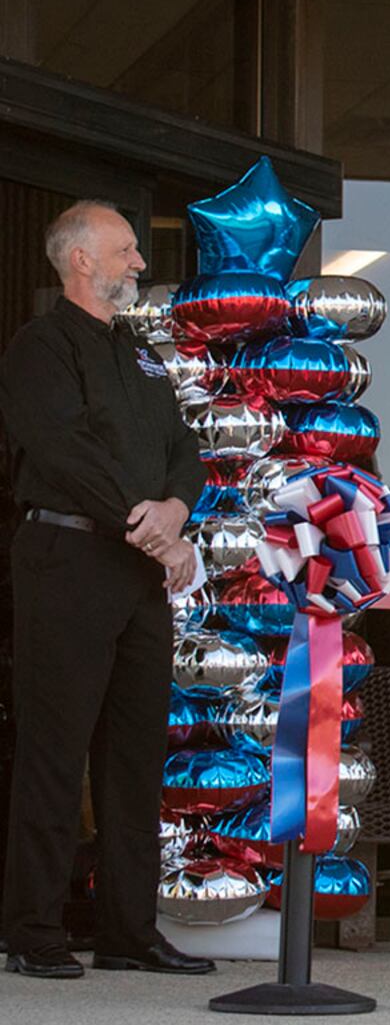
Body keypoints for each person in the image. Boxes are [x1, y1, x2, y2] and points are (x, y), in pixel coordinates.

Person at [0, 201, 212, 979]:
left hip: (137, 572)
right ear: (81, 260)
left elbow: (183, 450)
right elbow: (61, 447)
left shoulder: (143, 355)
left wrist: (177, 510)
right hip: (67, 558)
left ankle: (130, 929)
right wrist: (149, 521)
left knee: (134, 759)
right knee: (55, 753)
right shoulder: (39, 346)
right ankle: (33, 930)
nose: (139, 265)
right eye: (126, 251)